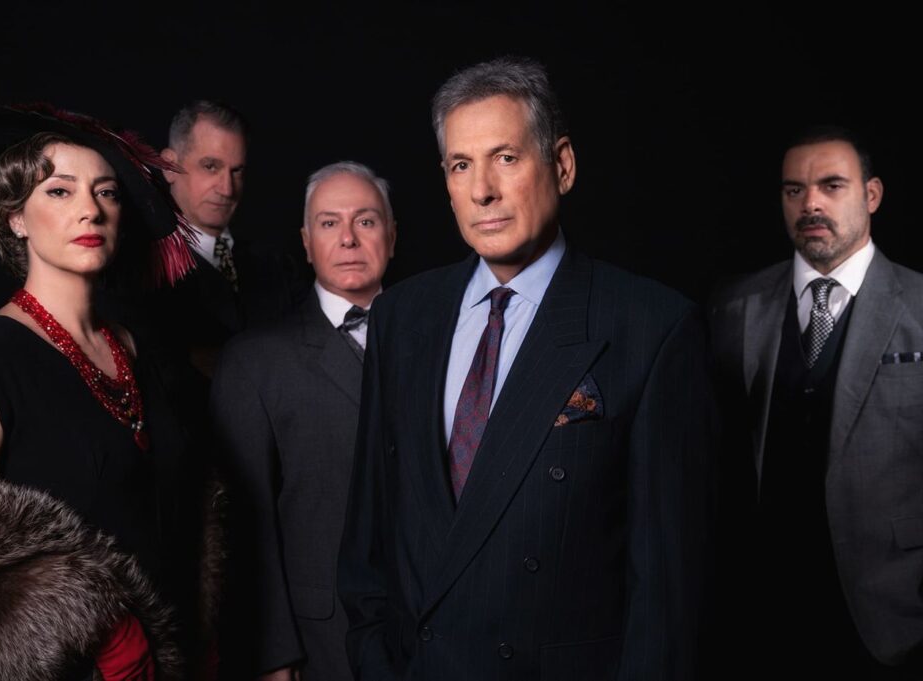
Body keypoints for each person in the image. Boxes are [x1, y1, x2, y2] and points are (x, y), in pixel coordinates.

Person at [337, 57, 714, 680]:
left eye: (505, 158)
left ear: (562, 165)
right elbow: (369, 537)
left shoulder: (651, 327)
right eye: (461, 165)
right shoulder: (403, 316)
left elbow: (666, 600)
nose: (482, 189)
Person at [0, 96, 210, 681]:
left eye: (106, 192)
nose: (90, 210)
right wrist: (97, 627)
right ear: (16, 217)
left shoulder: (142, 351)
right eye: (60, 191)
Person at [708, 127, 923, 679]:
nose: (811, 204)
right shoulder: (733, 306)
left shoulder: (920, 306)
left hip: (892, 611)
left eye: (831, 186)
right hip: (764, 613)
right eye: (794, 190)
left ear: (871, 195)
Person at [212, 162, 396, 681]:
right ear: (306, 242)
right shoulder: (254, 361)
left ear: (392, 235)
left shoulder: (443, 339)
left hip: (437, 631)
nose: (348, 239)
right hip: (323, 639)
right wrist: (273, 655)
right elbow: (244, 526)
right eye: (329, 223)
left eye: (366, 221)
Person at [157, 100, 298, 377]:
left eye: (237, 171)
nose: (227, 189)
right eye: (210, 166)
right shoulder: (137, 266)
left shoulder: (278, 265)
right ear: (169, 166)